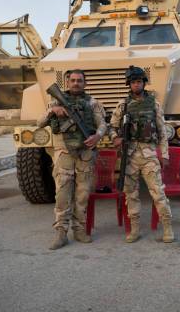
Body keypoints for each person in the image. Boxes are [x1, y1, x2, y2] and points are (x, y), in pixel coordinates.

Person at [37, 69, 107, 250]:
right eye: (73, 80)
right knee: (62, 193)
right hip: (64, 153)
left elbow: (103, 125)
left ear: (85, 83)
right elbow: (39, 123)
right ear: (67, 83)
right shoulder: (56, 101)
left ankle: (79, 230)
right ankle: (61, 232)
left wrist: (97, 137)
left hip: (85, 153)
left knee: (82, 193)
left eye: (80, 80)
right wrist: (54, 110)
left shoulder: (93, 103)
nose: (76, 83)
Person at [109, 66, 174, 243]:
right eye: (132, 82)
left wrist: (165, 155)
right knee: (131, 194)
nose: (136, 85)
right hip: (129, 156)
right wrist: (115, 138)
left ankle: (167, 227)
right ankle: (135, 229)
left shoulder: (154, 104)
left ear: (143, 83)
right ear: (128, 85)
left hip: (149, 155)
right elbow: (112, 127)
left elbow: (162, 131)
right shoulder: (122, 105)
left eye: (138, 82)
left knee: (158, 193)